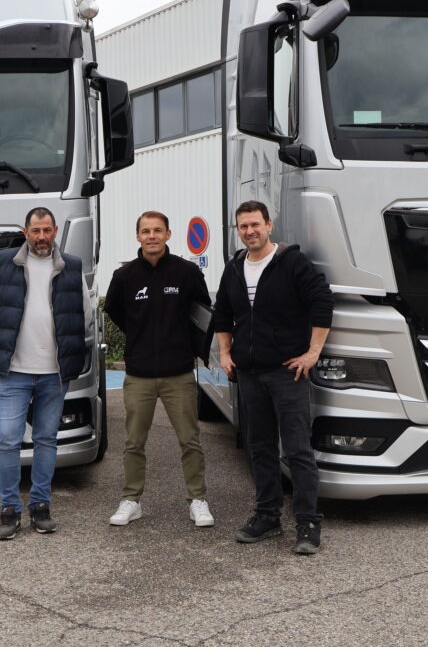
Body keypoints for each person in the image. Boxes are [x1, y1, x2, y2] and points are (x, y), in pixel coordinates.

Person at [213, 200, 333, 555]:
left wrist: (312, 354)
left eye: (255, 225)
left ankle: (308, 523)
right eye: (243, 227)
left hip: (286, 373)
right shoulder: (235, 268)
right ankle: (267, 516)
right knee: (259, 448)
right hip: (249, 374)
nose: (250, 231)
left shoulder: (292, 262)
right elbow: (222, 312)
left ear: (269, 225)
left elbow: (322, 303)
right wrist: (224, 353)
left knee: (297, 449)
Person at [0, 207, 89, 540]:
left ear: (55, 230)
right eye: (35, 231)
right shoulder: (5, 262)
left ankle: (41, 506)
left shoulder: (71, 266)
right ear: (25, 232)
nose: (41, 237)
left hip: (54, 373)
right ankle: (9, 509)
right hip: (13, 372)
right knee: (8, 439)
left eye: (47, 230)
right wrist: (6, 347)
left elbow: (83, 314)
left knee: (45, 439)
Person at [104, 211, 214, 528]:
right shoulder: (124, 276)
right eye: (145, 231)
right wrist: (138, 334)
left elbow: (202, 315)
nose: (152, 236)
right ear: (137, 236)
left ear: (168, 234)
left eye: (158, 230)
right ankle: (131, 500)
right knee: (133, 443)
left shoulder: (187, 272)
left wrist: (190, 348)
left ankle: (197, 500)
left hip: (178, 374)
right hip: (138, 375)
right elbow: (113, 310)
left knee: (190, 441)